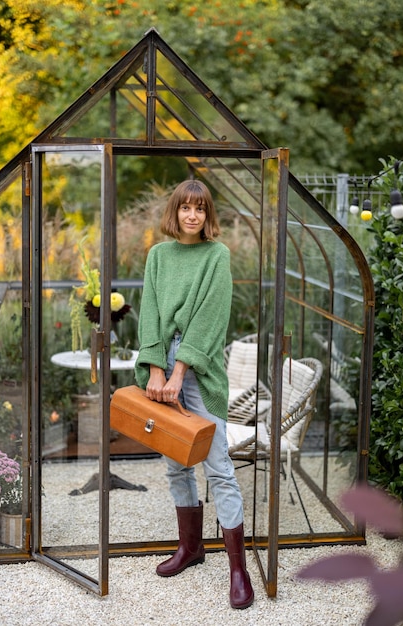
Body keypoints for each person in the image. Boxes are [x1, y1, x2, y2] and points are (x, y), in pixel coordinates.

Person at [134, 179, 254, 610]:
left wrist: (178, 371)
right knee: (176, 464)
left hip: (199, 369)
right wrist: (154, 368)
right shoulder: (158, 255)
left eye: (199, 209)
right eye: (185, 207)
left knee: (218, 466)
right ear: (175, 212)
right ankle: (191, 548)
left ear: (207, 215)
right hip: (160, 364)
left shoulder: (216, 255)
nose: (192, 215)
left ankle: (237, 569)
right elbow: (149, 312)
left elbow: (209, 318)